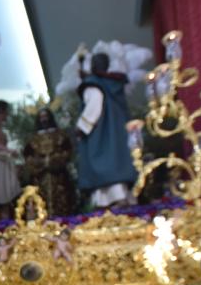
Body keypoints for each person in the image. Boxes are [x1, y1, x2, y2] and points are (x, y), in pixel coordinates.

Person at [75, 52, 138, 210]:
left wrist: (81, 128)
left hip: (100, 133)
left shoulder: (93, 84)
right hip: (116, 131)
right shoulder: (114, 83)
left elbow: (94, 107)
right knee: (116, 160)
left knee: (104, 162)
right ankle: (120, 196)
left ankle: (109, 200)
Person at [24, 108, 76, 216]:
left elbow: (68, 151)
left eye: (46, 116)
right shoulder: (32, 139)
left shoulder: (61, 135)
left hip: (59, 177)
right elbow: (28, 157)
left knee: (63, 202)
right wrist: (41, 163)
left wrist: (53, 161)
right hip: (40, 177)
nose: (44, 119)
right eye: (41, 117)